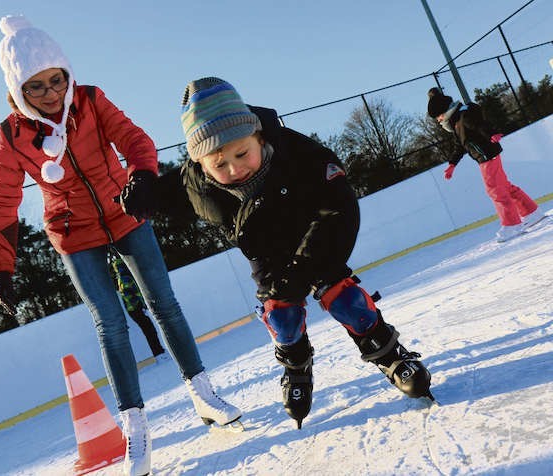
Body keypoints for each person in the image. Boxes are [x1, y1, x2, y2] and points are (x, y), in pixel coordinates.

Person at [0, 17, 240, 476]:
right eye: (36, 86)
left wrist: (141, 176)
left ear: (67, 74)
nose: (50, 93)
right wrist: (1, 267)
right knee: (110, 325)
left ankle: (203, 394)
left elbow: (134, 138)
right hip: (72, 233)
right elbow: (1, 201)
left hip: (124, 211)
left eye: (56, 80)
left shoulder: (90, 99)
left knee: (164, 303)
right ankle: (135, 429)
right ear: (18, 89)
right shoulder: (11, 137)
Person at [124, 77, 433, 429]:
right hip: (266, 253)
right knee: (282, 318)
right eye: (219, 165)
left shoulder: (299, 154)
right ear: (200, 164)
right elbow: (165, 193)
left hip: (316, 233)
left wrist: (303, 269)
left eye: (242, 154)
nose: (235, 169)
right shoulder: (194, 183)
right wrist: (143, 190)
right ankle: (296, 362)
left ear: (259, 137)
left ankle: (387, 350)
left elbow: (339, 210)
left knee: (345, 300)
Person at [427, 87, 545, 242]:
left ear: (444, 112)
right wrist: (452, 164)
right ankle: (531, 212)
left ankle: (512, 224)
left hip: (487, 156)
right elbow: (460, 145)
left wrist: (491, 134)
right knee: (505, 187)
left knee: (494, 189)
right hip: (487, 156)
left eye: (438, 117)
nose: (439, 121)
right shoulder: (456, 122)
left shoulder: (463, 116)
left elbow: (479, 125)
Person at [109, 253, 171, 362]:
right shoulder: (125, 277)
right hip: (135, 309)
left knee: (150, 330)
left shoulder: (123, 276)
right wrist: (142, 304)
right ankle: (159, 353)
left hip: (135, 309)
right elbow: (134, 292)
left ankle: (159, 351)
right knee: (150, 331)